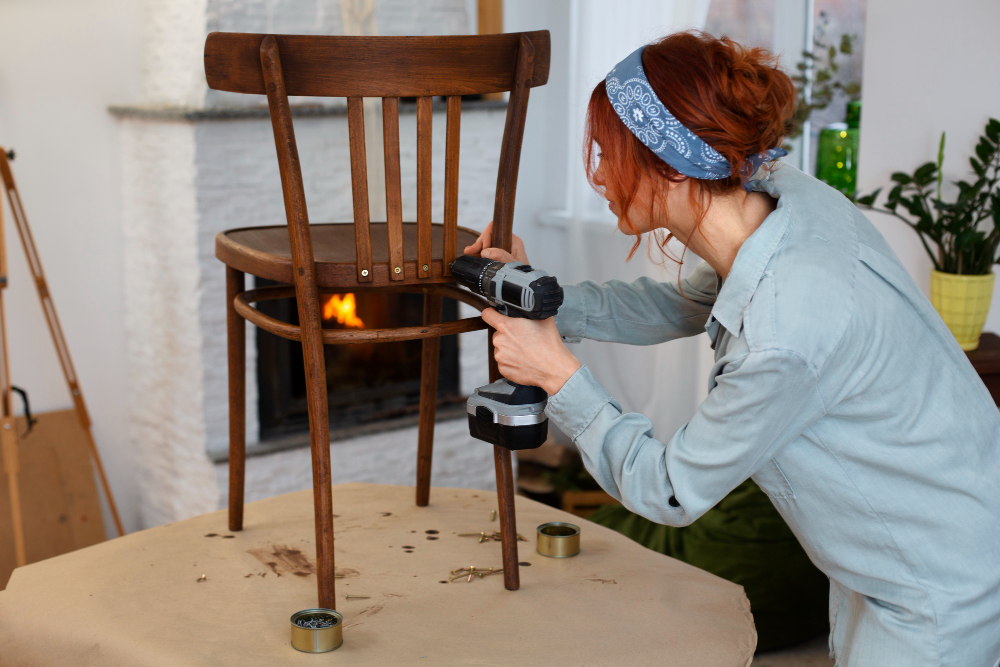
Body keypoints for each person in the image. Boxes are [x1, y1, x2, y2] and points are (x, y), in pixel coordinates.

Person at [465, 32, 1000, 667]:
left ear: (667, 162)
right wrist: (542, 299)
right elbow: (680, 304)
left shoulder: (786, 329)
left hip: (933, 590)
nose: (600, 175)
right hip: (933, 534)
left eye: (610, 154)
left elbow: (670, 489)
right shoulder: (786, 198)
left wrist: (557, 374)